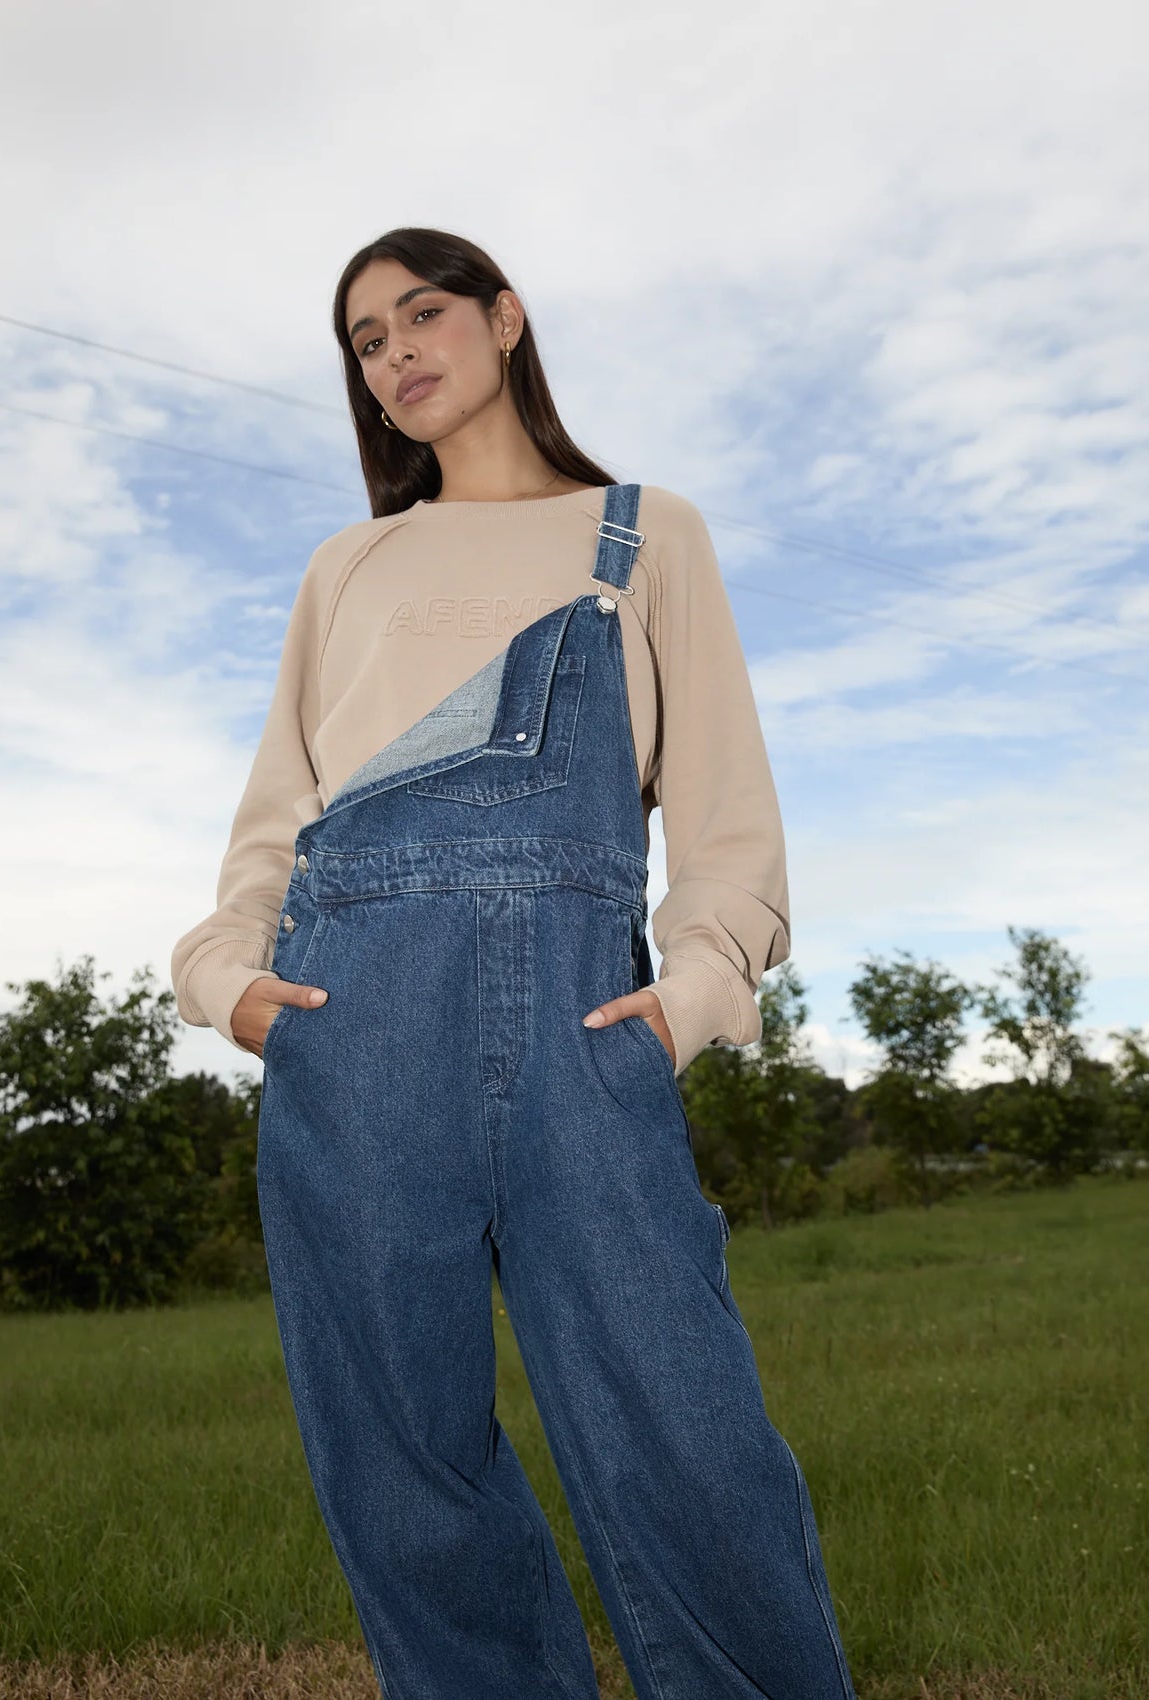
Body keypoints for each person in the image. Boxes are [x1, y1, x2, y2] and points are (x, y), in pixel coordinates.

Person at [170, 226, 855, 1700]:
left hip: (581, 1025)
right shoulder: (348, 564)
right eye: (364, 340)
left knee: (686, 1437)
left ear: (503, 319)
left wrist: (686, 999)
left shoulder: (641, 532)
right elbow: (275, 821)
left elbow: (728, 825)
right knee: (403, 1468)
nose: (396, 353)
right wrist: (223, 976)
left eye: (422, 316)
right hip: (348, 1028)